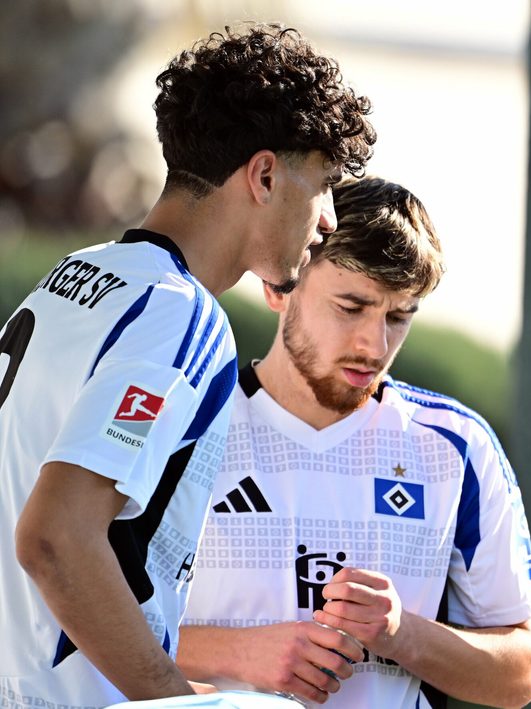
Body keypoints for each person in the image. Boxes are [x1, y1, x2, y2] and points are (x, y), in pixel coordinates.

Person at [0, 23, 375, 707]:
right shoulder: (182, 315)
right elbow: (54, 538)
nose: (327, 220)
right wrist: (173, 697)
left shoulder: (76, 275)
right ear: (264, 175)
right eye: (323, 186)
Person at [176, 177, 531, 707]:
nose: (374, 345)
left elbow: (523, 671)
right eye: (351, 307)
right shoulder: (188, 424)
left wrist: (405, 636)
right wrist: (238, 653)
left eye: (399, 317)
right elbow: (76, 621)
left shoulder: (456, 446)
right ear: (279, 288)